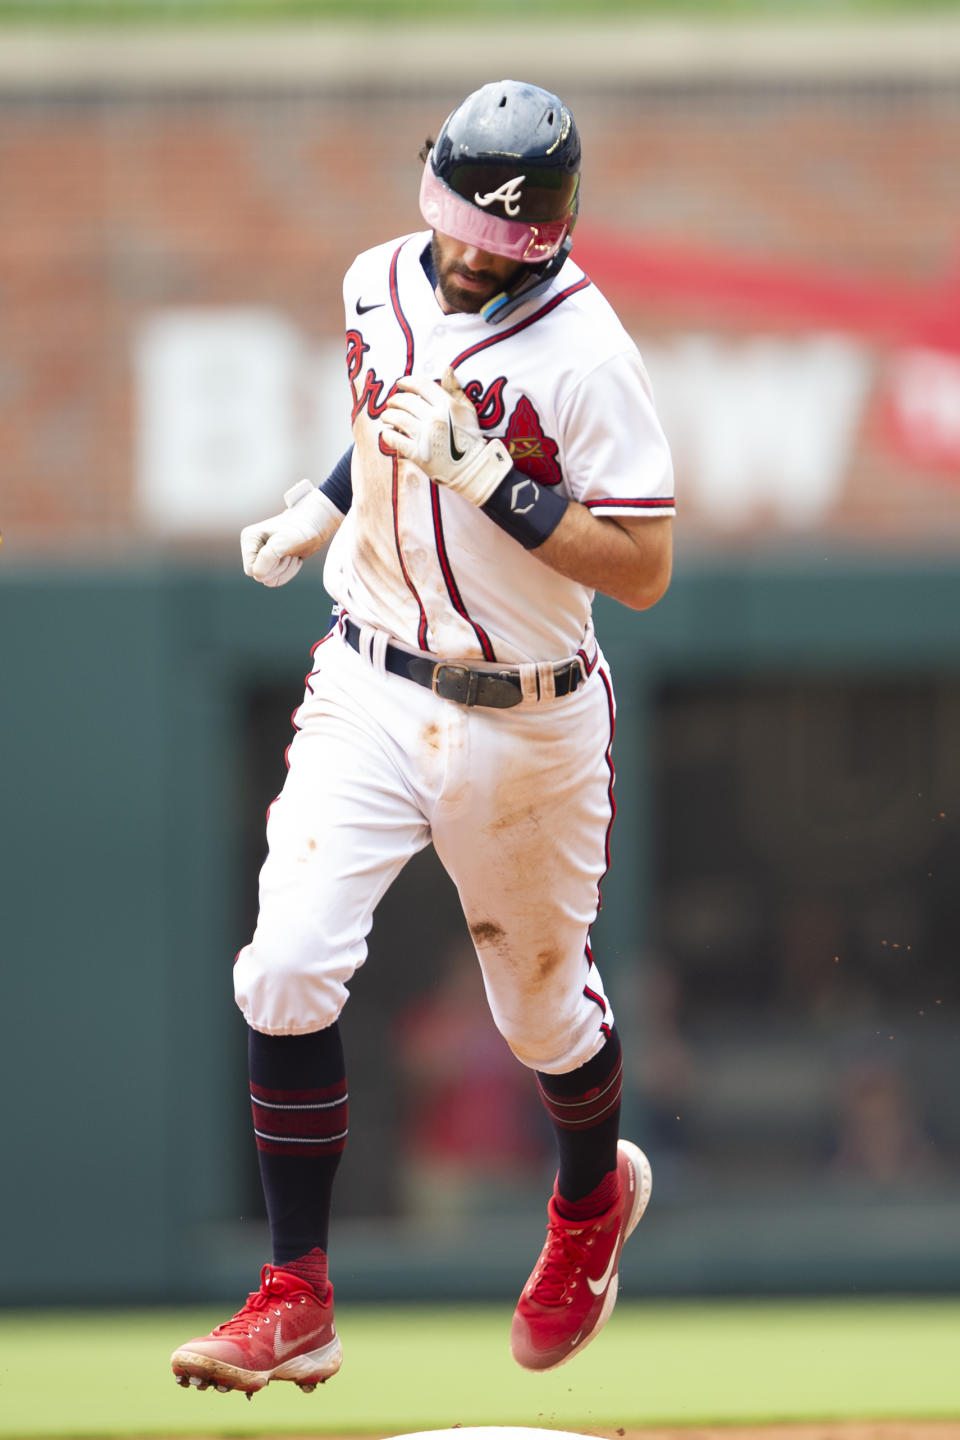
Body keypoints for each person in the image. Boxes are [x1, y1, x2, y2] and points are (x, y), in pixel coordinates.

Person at [171, 78, 674, 1397]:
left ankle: (585, 1208)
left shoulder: (588, 354)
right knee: (282, 967)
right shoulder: (377, 280)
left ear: (546, 237)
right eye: (451, 219)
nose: (460, 252)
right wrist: (321, 508)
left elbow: (643, 566)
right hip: (373, 680)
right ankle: (297, 1295)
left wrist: (494, 482)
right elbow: (386, 417)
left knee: (544, 1018)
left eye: (490, 236)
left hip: (529, 709)